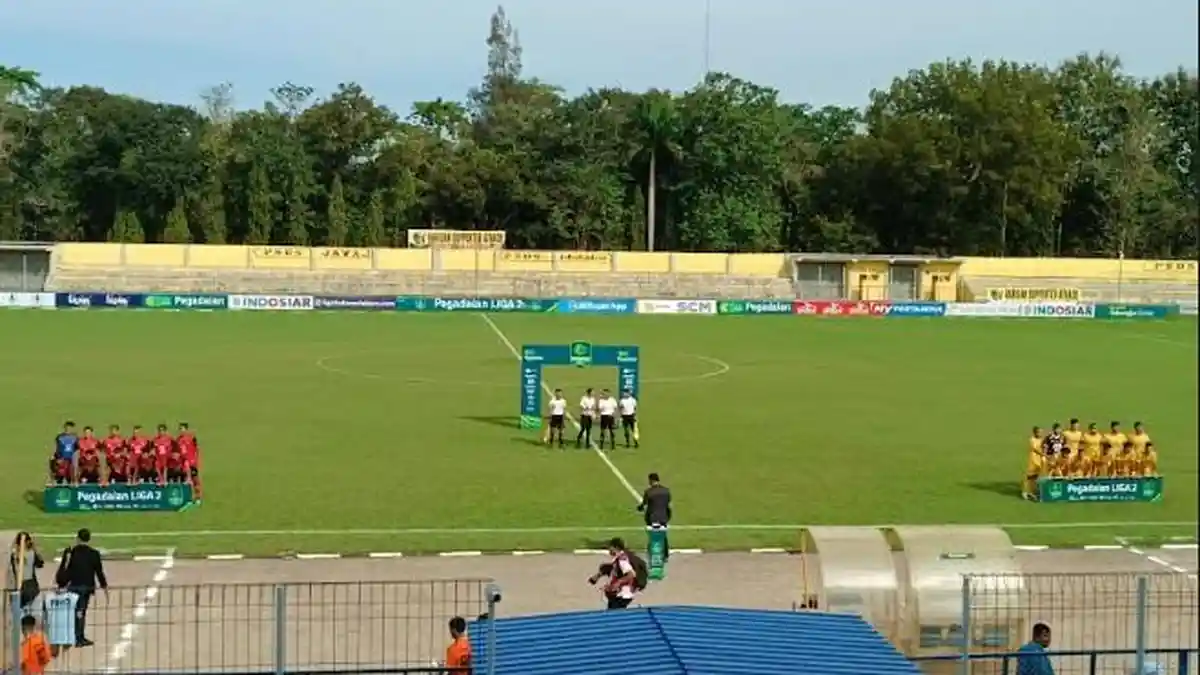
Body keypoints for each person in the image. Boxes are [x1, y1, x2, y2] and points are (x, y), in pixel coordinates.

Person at [59, 528, 107, 647]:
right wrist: (104, 587)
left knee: (72, 612)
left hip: (72, 586)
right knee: (80, 612)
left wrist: (61, 584)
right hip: (85, 588)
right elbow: (99, 572)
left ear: (78, 538)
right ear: (89, 539)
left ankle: (71, 636)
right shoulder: (94, 554)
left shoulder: (70, 552)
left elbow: (63, 568)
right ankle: (78, 637)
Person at [588, 537, 638, 609]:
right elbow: (613, 571)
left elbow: (631, 574)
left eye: (610, 547)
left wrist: (618, 583)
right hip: (618, 594)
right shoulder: (618, 559)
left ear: (616, 547)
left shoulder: (622, 560)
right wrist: (598, 576)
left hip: (621, 595)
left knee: (614, 614)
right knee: (612, 612)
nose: (609, 550)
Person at [41, 569, 79, 657]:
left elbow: (44, 615)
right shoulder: (74, 597)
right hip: (68, 634)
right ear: (69, 583)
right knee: (66, 652)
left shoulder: (48, 597)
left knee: (53, 653)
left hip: (52, 633)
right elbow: (78, 615)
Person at [7, 532, 44, 611]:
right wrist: (35, 549)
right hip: (28, 585)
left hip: (23, 585)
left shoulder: (15, 554)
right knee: (29, 610)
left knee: (19, 610)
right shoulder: (30, 553)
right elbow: (40, 564)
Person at [638, 472, 671, 560]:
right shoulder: (666, 491)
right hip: (664, 516)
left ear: (651, 480)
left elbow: (644, 504)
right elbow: (668, 503)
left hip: (653, 517)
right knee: (663, 535)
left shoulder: (649, 492)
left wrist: (639, 508)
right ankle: (665, 554)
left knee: (653, 535)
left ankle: (654, 553)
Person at [177, 422, 203, 499]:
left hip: (192, 462)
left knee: (195, 480)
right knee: (186, 480)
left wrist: (196, 460)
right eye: (180, 429)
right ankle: (188, 498)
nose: (181, 430)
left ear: (186, 429)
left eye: (182, 429)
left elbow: (197, 449)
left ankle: (198, 497)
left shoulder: (192, 437)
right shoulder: (178, 439)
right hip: (183, 464)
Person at [1022, 426, 1044, 501]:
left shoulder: (1042, 440)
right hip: (1033, 460)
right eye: (1039, 432)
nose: (1041, 434)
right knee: (1029, 476)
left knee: (1035, 477)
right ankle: (1024, 491)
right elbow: (1034, 449)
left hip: (1039, 461)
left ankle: (1031, 491)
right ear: (1035, 433)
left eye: (1041, 432)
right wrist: (1043, 454)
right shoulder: (1032, 440)